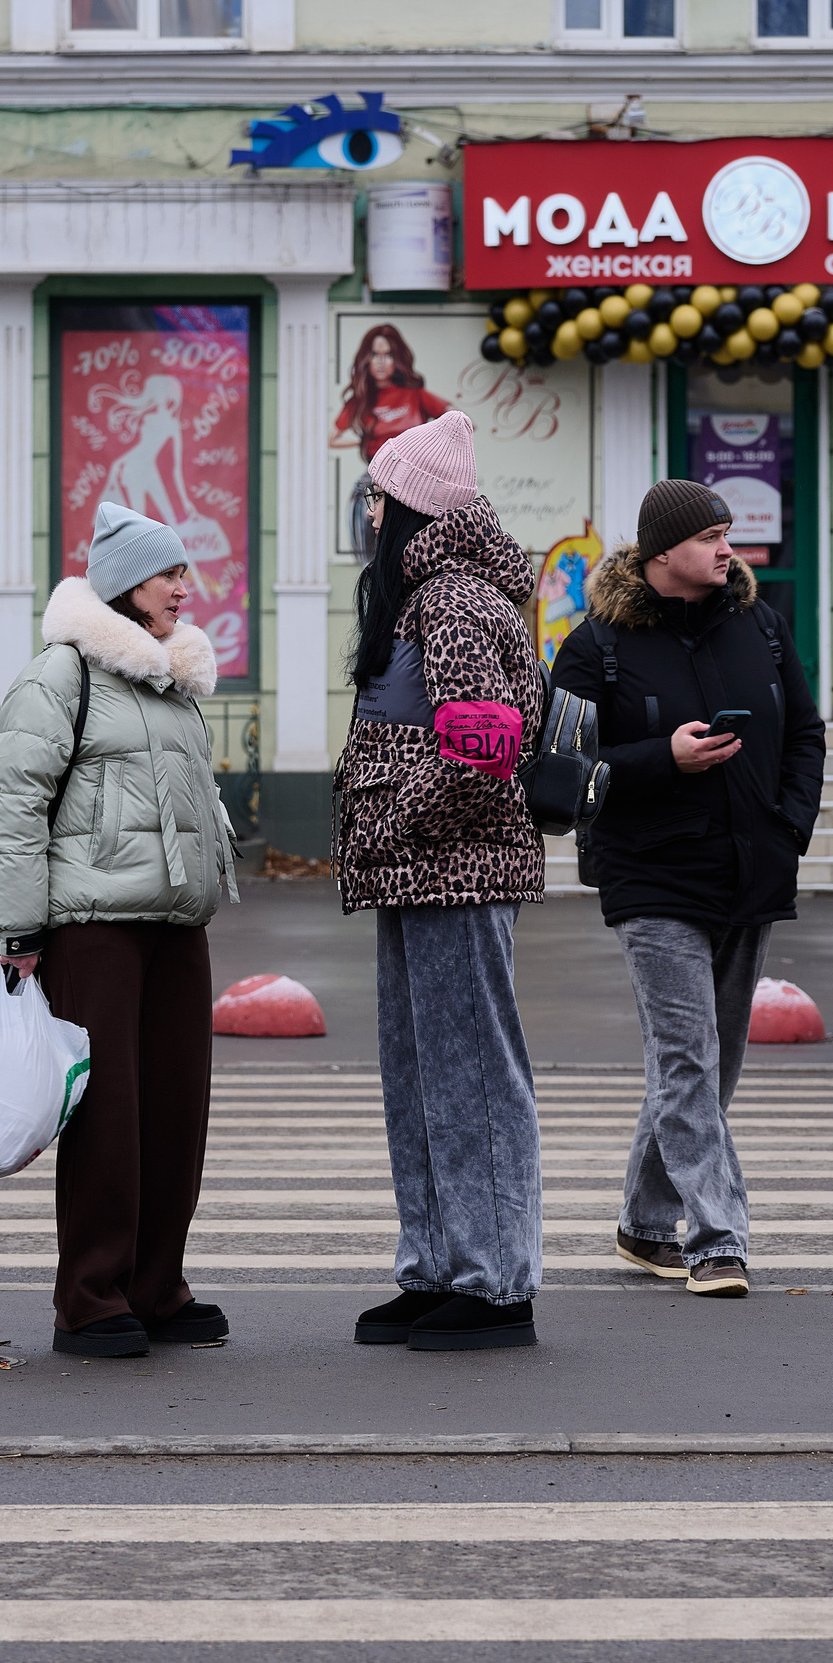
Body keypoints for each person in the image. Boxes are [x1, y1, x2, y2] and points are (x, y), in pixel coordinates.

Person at [550, 480, 826, 1300]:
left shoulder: (760, 625)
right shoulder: (594, 647)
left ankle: (643, 1222)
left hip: (751, 869)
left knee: (711, 1065)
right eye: (710, 537)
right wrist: (659, 758)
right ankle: (717, 1238)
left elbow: (804, 734)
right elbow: (559, 772)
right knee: (688, 1059)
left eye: (727, 533)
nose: (726, 549)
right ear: (662, 552)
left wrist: (789, 826)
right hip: (652, 876)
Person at [0, 502, 241, 1359]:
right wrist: (19, 928)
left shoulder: (170, 681)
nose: (183, 587)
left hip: (176, 923)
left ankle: (156, 1286)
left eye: (183, 572)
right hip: (93, 925)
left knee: (176, 1110)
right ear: (127, 583)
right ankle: (90, 1298)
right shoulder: (61, 676)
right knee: (108, 1115)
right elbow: (14, 804)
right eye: (169, 573)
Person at [331, 409, 548, 1352]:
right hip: (418, 871)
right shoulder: (430, 595)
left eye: (378, 499)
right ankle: (437, 1268)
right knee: (421, 1082)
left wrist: (389, 820)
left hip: (455, 868)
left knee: (471, 1081)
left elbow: (484, 749)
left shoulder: (454, 600)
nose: (370, 515)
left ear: (411, 509)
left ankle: (494, 1283)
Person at [330, 324, 453, 464]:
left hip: (415, 469)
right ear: (366, 358)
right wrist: (364, 443)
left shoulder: (414, 394)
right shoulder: (361, 400)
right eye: (375, 355)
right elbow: (332, 440)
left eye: (388, 355)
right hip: (378, 471)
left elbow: (460, 420)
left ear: (397, 358)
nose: (381, 362)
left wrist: (430, 442)